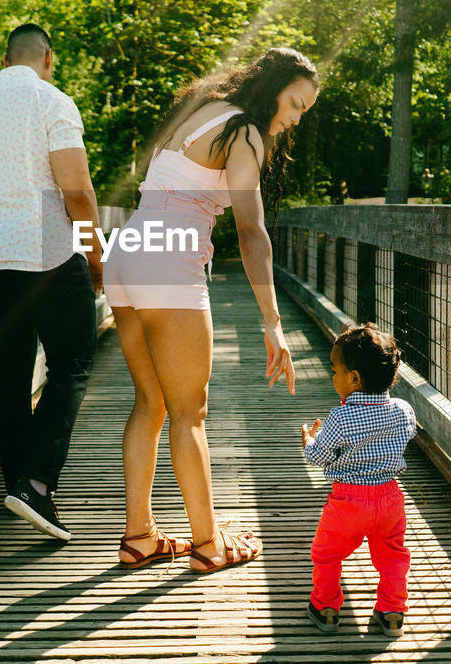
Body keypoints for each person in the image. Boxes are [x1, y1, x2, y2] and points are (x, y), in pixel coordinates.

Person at [101, 47, 319, 572]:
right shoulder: (244, 133)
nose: (293, 118)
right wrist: (272, 321)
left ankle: (141, 537)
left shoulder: (203, 108)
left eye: (303, 111)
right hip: (168, 259)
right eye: (293, 104)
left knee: (150, 403)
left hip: (129, 248)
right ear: (272, 89)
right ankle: (208, 544)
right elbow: (250, 231)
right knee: (189, 412)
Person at [0, 23, 104, 542]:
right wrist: (96, 255)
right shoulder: (53, 103)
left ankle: (16, 482)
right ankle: (36, 484)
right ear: (47, 58)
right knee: (72, 365)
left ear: (6, 58)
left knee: (10, 377)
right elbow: (78, 192)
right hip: (54, 258)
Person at [301, 323, 417, 637]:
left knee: (327, 554)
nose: (332, 377)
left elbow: (318, 458)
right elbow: (406, 436)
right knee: (392, 556)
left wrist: (310, 441)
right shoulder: (404, 410)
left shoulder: (340, 418)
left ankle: (325, 607)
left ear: (354, 378)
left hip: (348, 501)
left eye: (335, 370)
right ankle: (392, 612)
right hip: (390, 497)